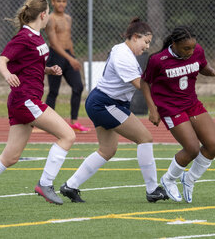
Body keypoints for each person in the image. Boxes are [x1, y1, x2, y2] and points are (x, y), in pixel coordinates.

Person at [0, 0, 76, 205]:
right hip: (25, 100)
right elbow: (1, 61)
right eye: (47, 12)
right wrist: (6, 75)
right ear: (42, 15)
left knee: (10, 157)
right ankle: (46, 184)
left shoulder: (37, 37)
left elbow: (30, 64)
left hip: (23, 101)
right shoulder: (24, 37)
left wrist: (48, 70)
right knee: (68, 135)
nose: (48, 16)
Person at [59, 17, 168, 203]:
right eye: (146, 42)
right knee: (145, 138)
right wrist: (157, 103)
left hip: (102, 102)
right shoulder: (123, 55)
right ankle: (152, 190)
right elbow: (141, 85)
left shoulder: (122, 49)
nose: (147, 47)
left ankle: (70, 186)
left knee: (107, 150)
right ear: (135, 37)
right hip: (105, 104)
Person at [140, 26, 215, 203]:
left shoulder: (196, 51)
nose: (191, 51)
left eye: (193, 48)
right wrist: (152, 108)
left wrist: (213, 72)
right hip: (170, 108)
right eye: (186, 48)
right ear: (174, 44)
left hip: (192, 103)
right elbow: (145, 82)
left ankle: (189, 179)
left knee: (214, 145)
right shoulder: (158, 60)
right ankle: (169, 179)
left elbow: (202, 66)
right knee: (192, 148)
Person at [45, 0, 90, 133]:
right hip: (56, 57)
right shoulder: (50, 19)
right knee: (54, 91)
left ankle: (74, 122)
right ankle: (47, 123)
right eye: (58, 1)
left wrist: (73, 57)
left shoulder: (68, 18)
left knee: (78, 87)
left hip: (69, 56)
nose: (61, 4)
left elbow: (68, 39)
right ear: (53, 2)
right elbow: (54, 43)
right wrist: (70, 58)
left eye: (64, 1)